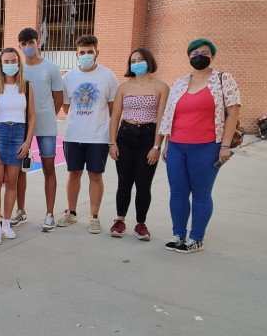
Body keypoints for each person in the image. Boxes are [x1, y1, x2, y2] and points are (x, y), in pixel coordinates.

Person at [159, 38, 241, 253]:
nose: (199, 56)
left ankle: (196, 238)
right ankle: (178, 234)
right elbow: (170, 114)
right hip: (177, 145)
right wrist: (166, 143)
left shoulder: (223, 79)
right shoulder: (180, 82)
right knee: (178, 192)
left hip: (206, 146)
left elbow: (233, 112)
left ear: (212, 56)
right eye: (194, 53)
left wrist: (225, 146)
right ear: (189, 56)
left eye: (204, 52)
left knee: (201, 194)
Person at [108, 48, 169, 240]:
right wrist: (112, 143)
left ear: (149, 61)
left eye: (140, 60)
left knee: (144, 183)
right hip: (125, 135)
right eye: (133, 61)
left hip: (148, 137)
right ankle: (119, 221)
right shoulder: (123, 87)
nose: (137, 64)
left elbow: (162, 118)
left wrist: (157, 146)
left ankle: (140, 224)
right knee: (124, 181)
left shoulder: (161, 87)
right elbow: (115, 116)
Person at [60, 35, 119, 234]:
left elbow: (113, 110)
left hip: (98, 137)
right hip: (73, 136)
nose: (86, 55)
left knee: (95, 175)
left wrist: (112, 139)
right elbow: (67, 107)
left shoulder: (108, 76)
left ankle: (94, 217)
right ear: (77, 54)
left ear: (97, 53)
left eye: (90, 52)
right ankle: (71, 213)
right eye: (82, 52)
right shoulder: (69, 77)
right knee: (73, 174)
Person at [15, 28, 64, 232]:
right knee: (20, 170)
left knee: (48, 168)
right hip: (22, 126)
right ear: (19, 46)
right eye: (24, 44)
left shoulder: (51, 68)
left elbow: (58, 98)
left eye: (31, 42)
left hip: (46, 126)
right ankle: (20, 210)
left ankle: (49, 214)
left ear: (38, 42)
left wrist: (46, 115)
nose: (28, 46)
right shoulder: (17, 69)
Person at [0, 48, 35, 245]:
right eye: (6, 61)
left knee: (12, 182)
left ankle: (7, 223)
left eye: (13, 61)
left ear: (19, 63)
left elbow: (31, 117)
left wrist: (27, 142)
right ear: (1, 64)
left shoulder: (27, 86)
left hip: (18, 135)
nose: (10, 64)